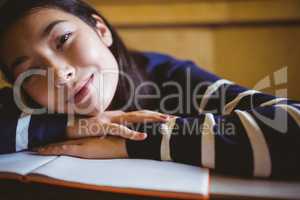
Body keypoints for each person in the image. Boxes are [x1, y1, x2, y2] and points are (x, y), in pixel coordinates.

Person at [0, 0, 299, 180]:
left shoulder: (170, 78)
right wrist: (68, 126)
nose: (60, 75)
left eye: (63, 39)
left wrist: (132, 142)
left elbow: (291, 123)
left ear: (101, 31)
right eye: (30, 73)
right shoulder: (26, 110)